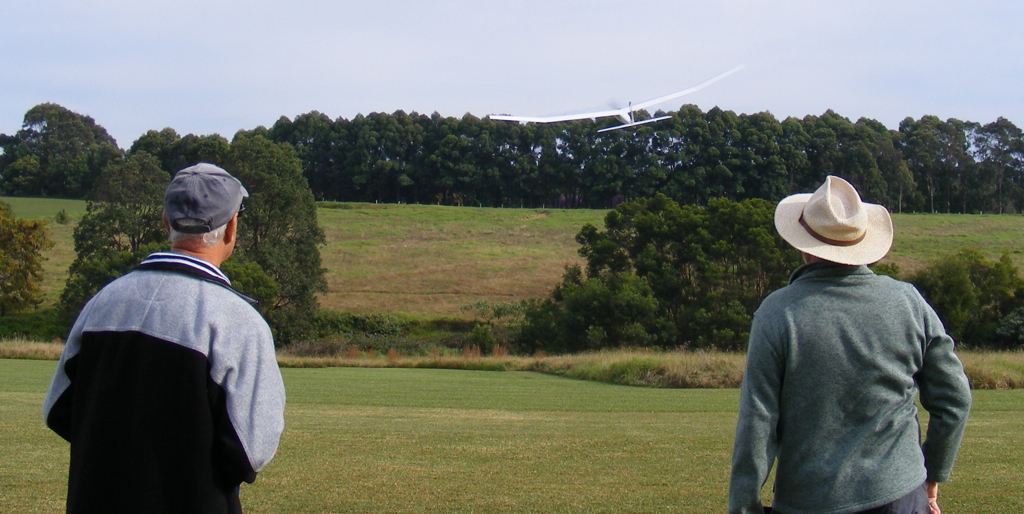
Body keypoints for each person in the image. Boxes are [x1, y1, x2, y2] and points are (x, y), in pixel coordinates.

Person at [43, 163, 285, 514]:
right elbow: (253, 450)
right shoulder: (239, 322)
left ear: (165, 222)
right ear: (232, 226)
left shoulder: (102, 302)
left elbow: (58, 410)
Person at [728, 176, 972, 514]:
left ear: (804, 245)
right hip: (901, 496)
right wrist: (932, 475)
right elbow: (955, 399)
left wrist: (743, 507)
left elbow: (758, 422)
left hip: (808, 503)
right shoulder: (909, 303)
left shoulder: (776, 313)